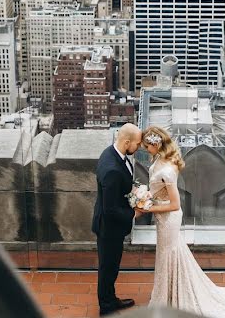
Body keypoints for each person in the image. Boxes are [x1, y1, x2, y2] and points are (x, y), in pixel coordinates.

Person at [139, 126, 225, 317]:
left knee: (167, 255)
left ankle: (169, 298)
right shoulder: (159, 160)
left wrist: (148, 207)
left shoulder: (168, 170)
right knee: (166, 256)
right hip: (162, 217)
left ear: (155, 144)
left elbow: (175, 205)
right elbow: (157, 190)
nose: (145, 150)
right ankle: (168, 295)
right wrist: (146, 195)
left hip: (168, 218)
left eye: (147, 147)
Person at [92, 123, 143, 316]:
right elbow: (110, 209)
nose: (138, 147)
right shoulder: (112, 169)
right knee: (108, 267)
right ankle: (106, 307)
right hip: (109, 228)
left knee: (110, 265)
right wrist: (134, 214)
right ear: (127, 142)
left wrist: (134, 192)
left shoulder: (111, 153)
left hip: (110, 226)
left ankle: (110, 299)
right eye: (137, 144)